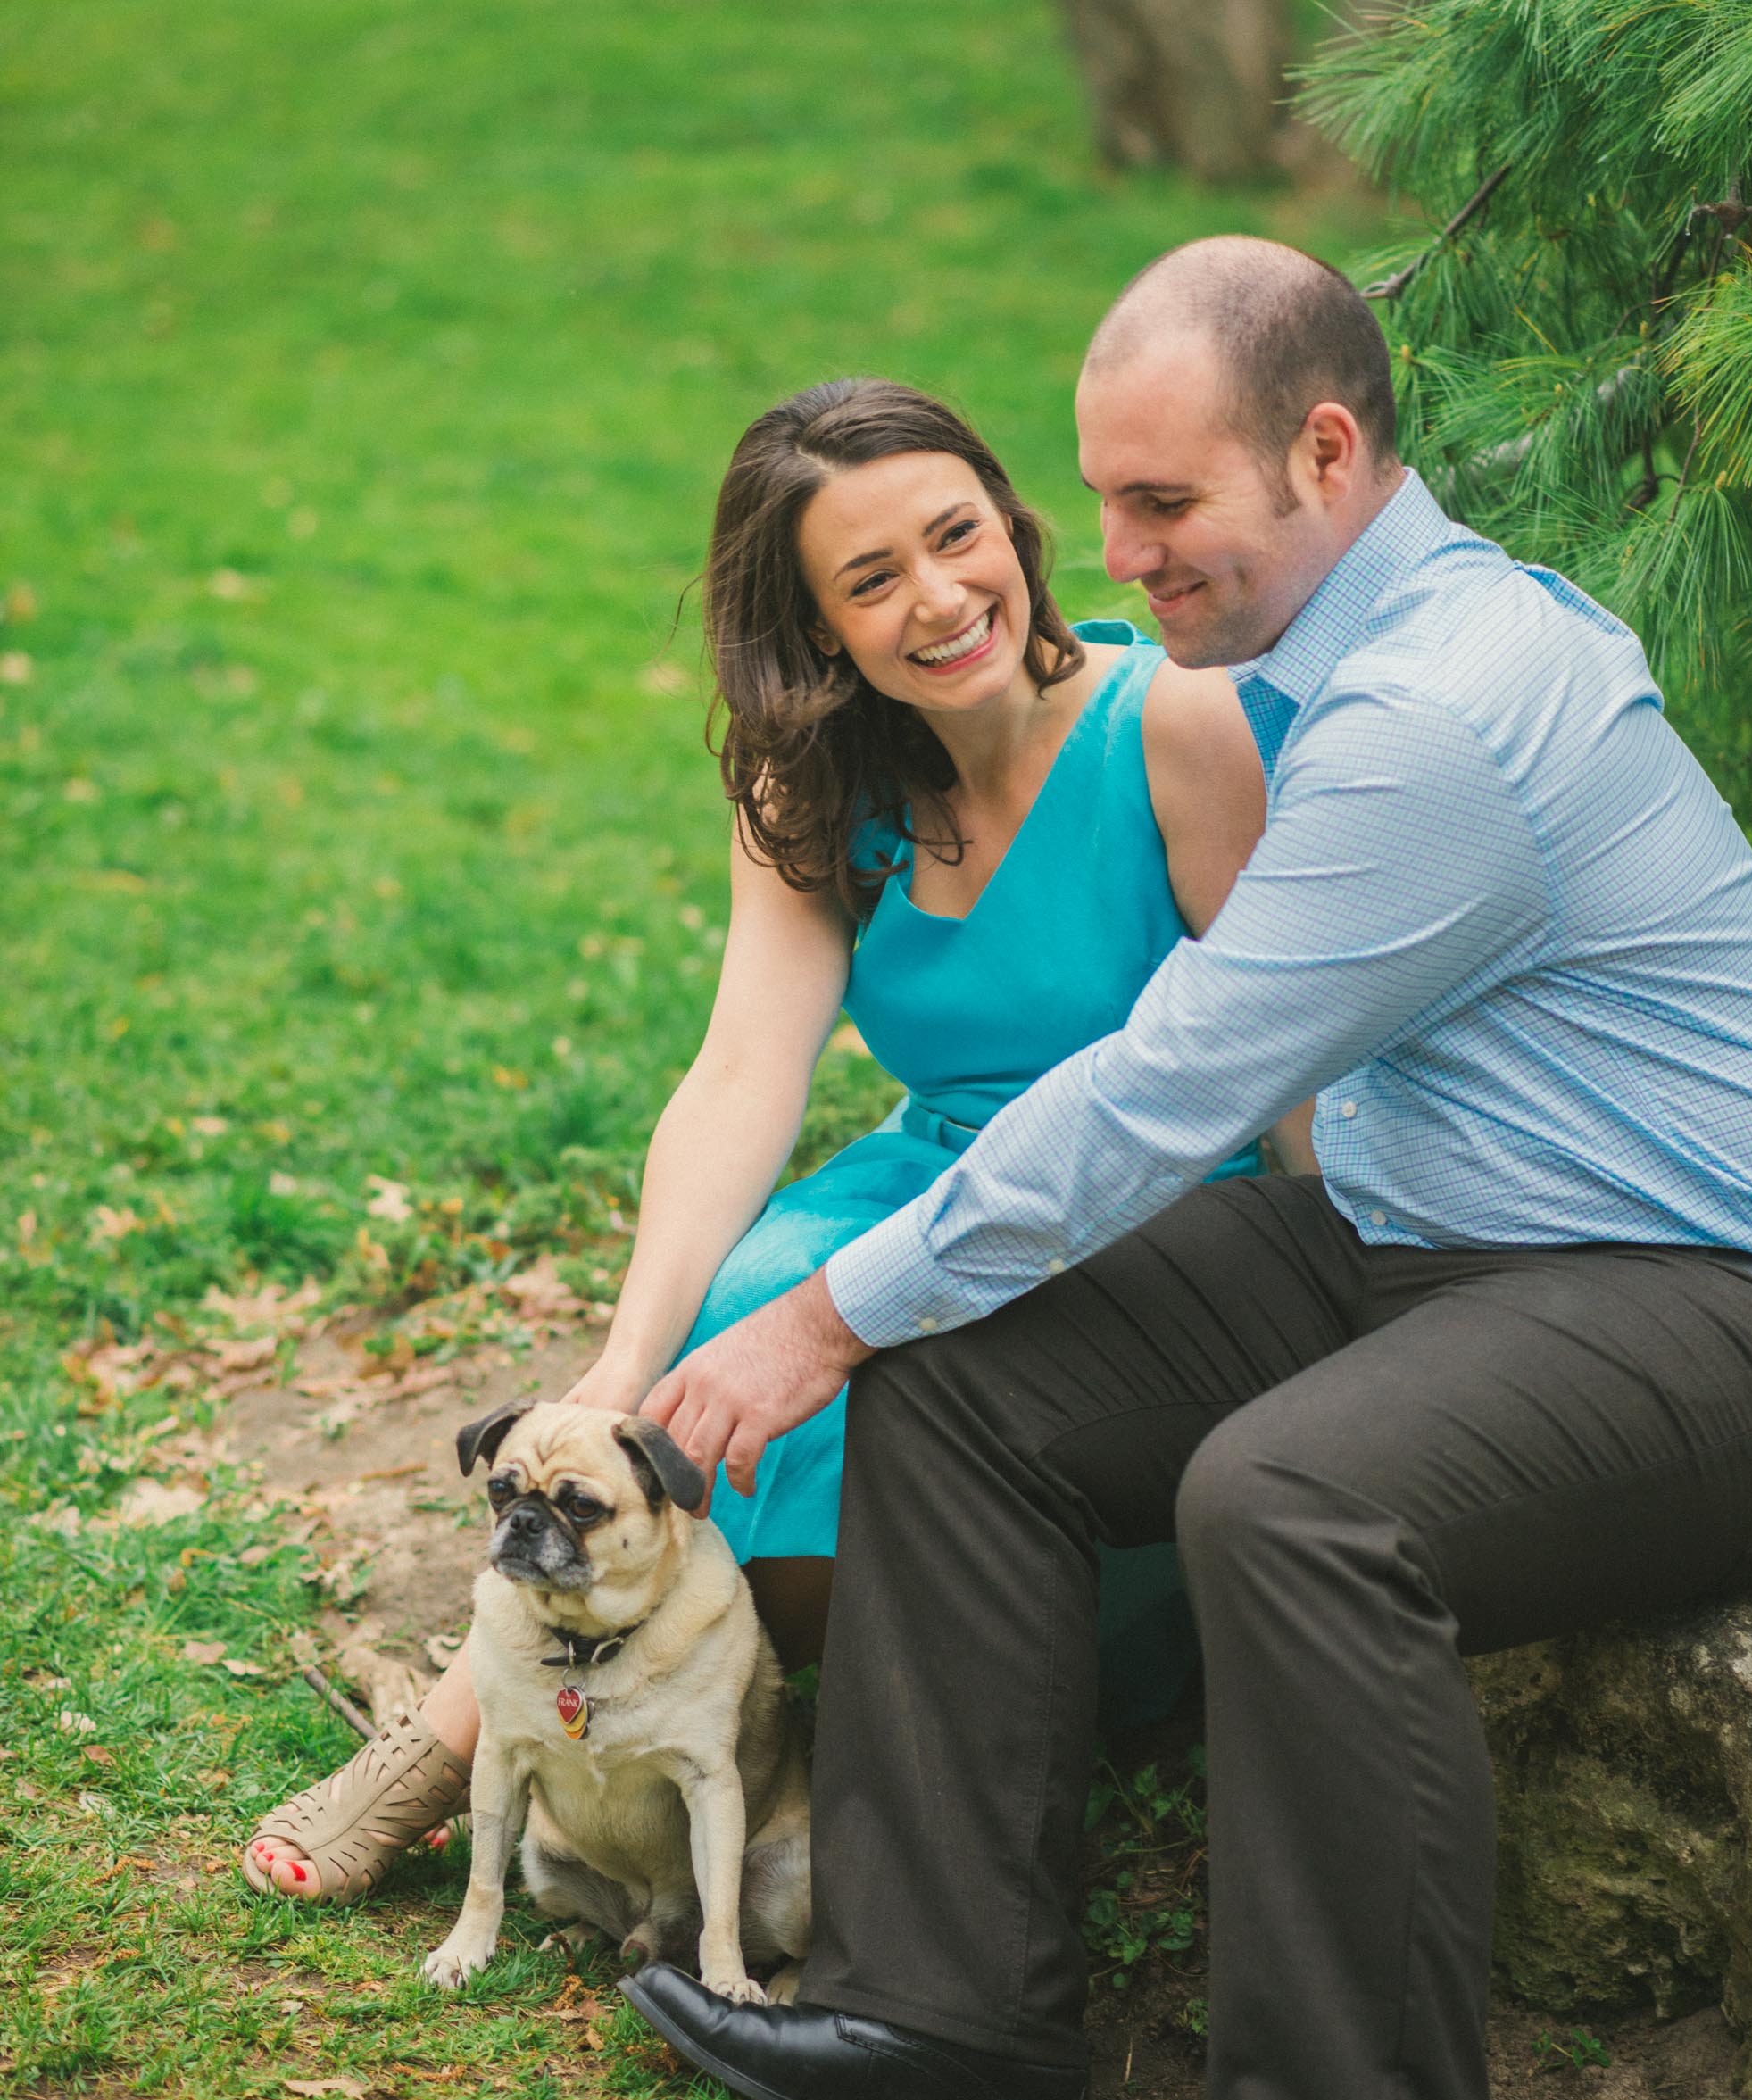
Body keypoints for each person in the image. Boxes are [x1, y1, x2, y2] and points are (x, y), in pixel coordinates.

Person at [615, 237, 1752, 2100]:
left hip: (1710, 1294)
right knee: (973, 1376)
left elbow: (1167, 1088)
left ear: (1324, 454)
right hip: (1435, 1231)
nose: (1117, 555)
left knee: (1292, 1497)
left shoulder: (1438, 707)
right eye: (1106, 497)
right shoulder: (1348, 642)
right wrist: (872, 1321)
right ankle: (944, 2019)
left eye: (1163, 507)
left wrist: (812, 1319)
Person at [241, 375, 1308, 1905]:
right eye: (873, 580)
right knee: (731, 1336)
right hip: (930, 1159)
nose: (942, 598)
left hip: (1141, 1200)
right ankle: (530, 1727)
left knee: (913, 1370)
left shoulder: (1179, 730)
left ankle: (510, 1733)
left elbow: (1289, 1061)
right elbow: (747, 1067)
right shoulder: (814, 777)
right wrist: (621, 1366)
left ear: (1015, 524)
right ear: (816, 630)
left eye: (959, 536)